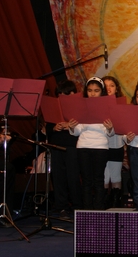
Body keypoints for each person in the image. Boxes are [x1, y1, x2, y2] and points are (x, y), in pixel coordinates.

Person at [68, 77, 115, 210]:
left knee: (99, 180)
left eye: (96, 90)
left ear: (102, 92)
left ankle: (98, 210)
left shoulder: (108, 107)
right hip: (83, 146)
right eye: (89, 91)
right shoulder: (81, 107)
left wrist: (111, 127)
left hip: (100, 147)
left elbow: (111, 133)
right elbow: (76, 132)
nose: (93, 93)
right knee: (86, 181)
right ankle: (87, 211)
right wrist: (72, 127)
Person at [46, 80, 82, 219]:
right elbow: (48, 128)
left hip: (72, 146)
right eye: (59, 95)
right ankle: (61, 206)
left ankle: (77, 205)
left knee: (73, 177)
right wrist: (54, 128)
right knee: (58, 177)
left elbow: (84, 126)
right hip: (55, 145)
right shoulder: (54, 107)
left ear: (73, 94)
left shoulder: (79, 107)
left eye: (64, 94)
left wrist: (70, 126)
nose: (61, 97)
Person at [102, 76, 127, 208]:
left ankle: (116, 204)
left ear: (116, 88)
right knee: (104, 177)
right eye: (105, 86)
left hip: (116, 143)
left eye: (112, 85)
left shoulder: (121, 105)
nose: (109, 88)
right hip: (101, 145)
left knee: (116, 175)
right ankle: (104, 204)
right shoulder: (98, 105)